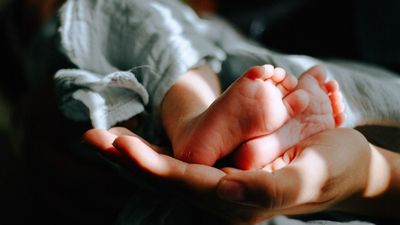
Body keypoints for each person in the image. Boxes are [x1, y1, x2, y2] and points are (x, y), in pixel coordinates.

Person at [54, 0, 400, 224]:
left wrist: (369, 180)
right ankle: (250, 138)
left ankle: (194, 120)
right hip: (356, 109)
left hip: (240, 61)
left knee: (137, 17)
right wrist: (367, 181)